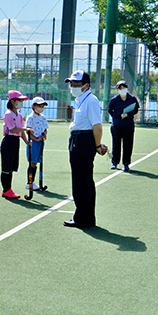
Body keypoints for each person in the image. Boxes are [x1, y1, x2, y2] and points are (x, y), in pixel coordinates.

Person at [64, 70, 108, 228]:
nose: (72, 87)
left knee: (82, 181)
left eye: (76, 84)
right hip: (78, 139)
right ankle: (86, 217)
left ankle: (83, 218)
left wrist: (97, 145)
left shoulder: (91, 101)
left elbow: (97, 126)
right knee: (81, 180)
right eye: (71, 84)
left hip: (83, 141)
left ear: (86, 86)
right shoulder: (80, 100)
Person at [0, 90, 30, 199]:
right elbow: (13, 129)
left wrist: (26, 141)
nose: (22, 102)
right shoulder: (8, 114)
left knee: (11, 167)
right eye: (20, 100)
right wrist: (26, 128)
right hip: (8, 141)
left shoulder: (19, 115)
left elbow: (21, 132)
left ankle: (9, 189)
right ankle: (6, 189)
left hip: (15, 142)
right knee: (6, 167)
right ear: (13, 101)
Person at [108, 80, 139, 172]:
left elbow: (136, 110)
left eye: (124, 87)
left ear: (127, 88)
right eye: (120, 88)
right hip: (117, 126)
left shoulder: (132, 99)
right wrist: (117, 117)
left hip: (128, 125)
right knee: (116, 145)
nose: (123, 89)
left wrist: (128, 115)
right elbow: (110, 110)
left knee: (128, 145)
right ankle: (115, 162)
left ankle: (126, 164)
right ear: (117, 89)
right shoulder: (114, 100)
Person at [25, 97, 49, 190]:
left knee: (38, 161)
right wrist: (36, 138)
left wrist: (44, 135)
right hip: (33, 142)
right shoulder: (30, 117)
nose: (41, 107)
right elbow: (28, 131)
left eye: (42, 106)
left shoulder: (43, 117)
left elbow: (45, 128)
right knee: (32, 162)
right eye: (39, 105)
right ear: (33, 106)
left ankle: (33, 182)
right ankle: (29, 182)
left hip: (40, 142)